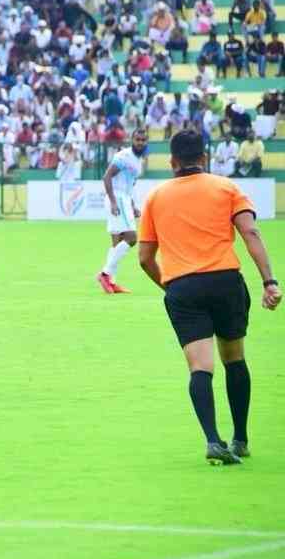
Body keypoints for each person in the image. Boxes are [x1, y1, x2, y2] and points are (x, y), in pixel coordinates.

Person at [138, 129, 281, 464]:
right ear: (205, 158)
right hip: (225, 283)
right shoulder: (226, 187)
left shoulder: (156, 197)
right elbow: (250, 231)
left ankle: (213, 440)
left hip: (183, 288)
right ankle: (241, 438)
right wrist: (269, 281)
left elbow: (144, 258)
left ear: (171, 161)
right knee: (234, 359)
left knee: (200, 367)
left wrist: (170, 286)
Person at [96, 129, 148, 295]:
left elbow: (130, 186)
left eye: (143, 140)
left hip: (124, 199)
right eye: (137, 139)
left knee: (117, 242)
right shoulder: (124, 156)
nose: (140, 142)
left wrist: (132, 206)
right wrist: (113, 201)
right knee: (132, 238)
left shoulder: (138, 161)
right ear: (132, 140)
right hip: (117, 198)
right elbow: (107, 176)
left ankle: (111, 282)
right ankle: (105, 274)